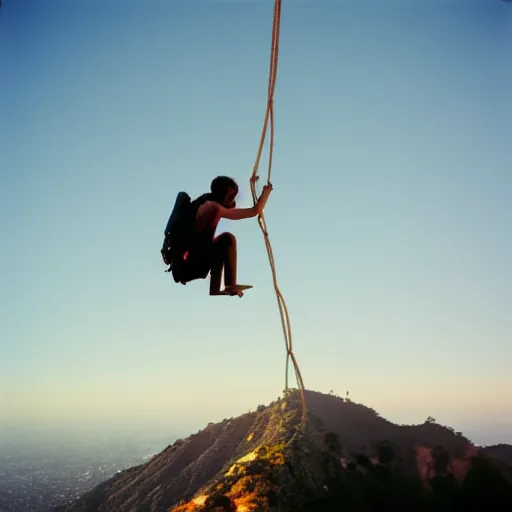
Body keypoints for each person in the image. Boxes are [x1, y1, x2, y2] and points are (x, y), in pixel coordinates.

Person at [175, 176, 272, 296]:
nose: (234, 201)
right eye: (233, 195)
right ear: (229, 192)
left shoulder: (203, 202)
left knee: (218, 244)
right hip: (191, 265)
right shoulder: (213, 208)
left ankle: (215, 289)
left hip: (185, 265)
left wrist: (252, 184)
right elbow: (254, 211)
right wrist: (266, 192)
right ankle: (230, 285)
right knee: (227, 240)